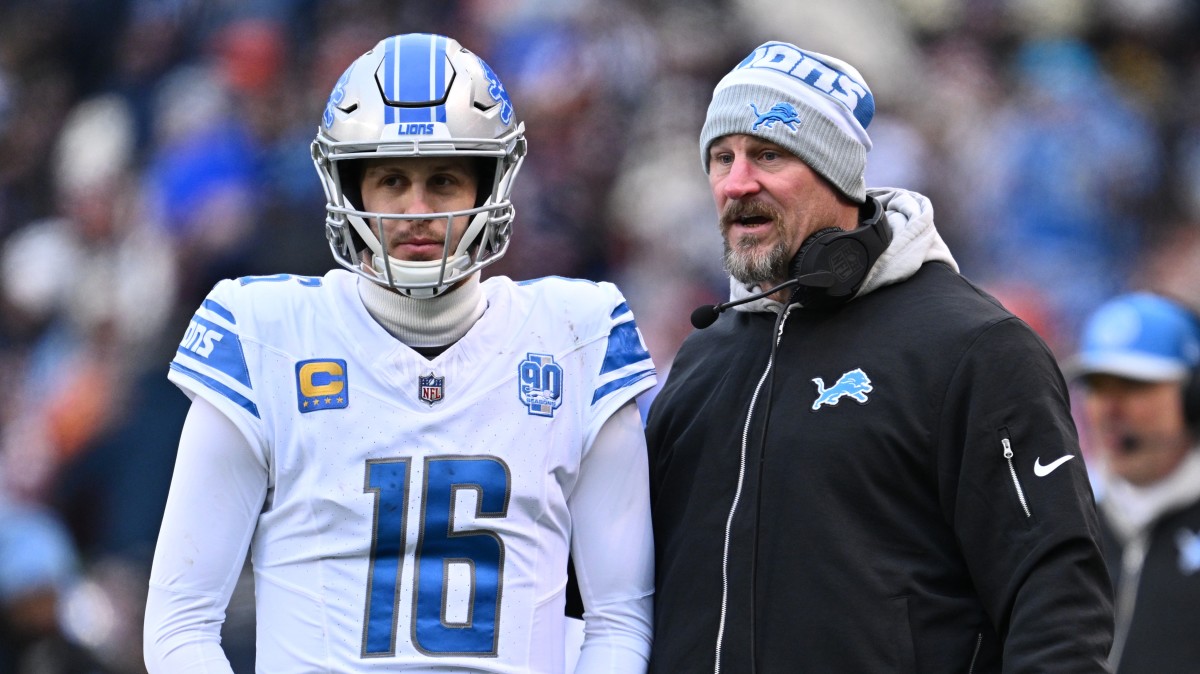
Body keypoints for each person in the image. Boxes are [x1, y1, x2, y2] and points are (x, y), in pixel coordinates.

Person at [143, 33, 657, 673]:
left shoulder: (577, 336)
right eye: (391, 179)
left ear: (489, 183)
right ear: (352, 188)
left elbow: (620, 620)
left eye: (442, 179)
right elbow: (180, 624)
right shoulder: (268, 337)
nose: (416, 210)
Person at [645, 40, 1114, 672]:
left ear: (836, 172)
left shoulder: (973, 347)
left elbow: (1057, 595)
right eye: (721, 158)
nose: (737, 183)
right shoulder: (704, 360)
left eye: (768, 154)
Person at [1069, 292, 1200, 673]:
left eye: (1133, 385)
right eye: (1097, 385)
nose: (1109, 409)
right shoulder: (1064, 515)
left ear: (1193, 395)